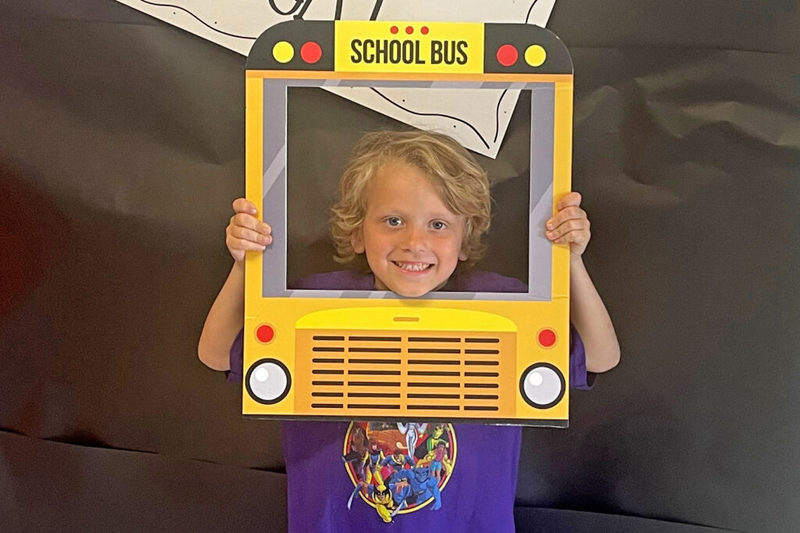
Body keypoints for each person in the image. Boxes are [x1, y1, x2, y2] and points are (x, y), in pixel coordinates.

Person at [198, 130, 619, 531]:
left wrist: (570, 261)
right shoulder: (317, 304)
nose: (414, 242)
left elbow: (601, 356)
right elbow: (216, 353)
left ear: (464, 236)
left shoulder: (501, 307)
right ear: (358, 231)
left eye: (438, 225)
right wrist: (244, 264)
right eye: (393, 220)